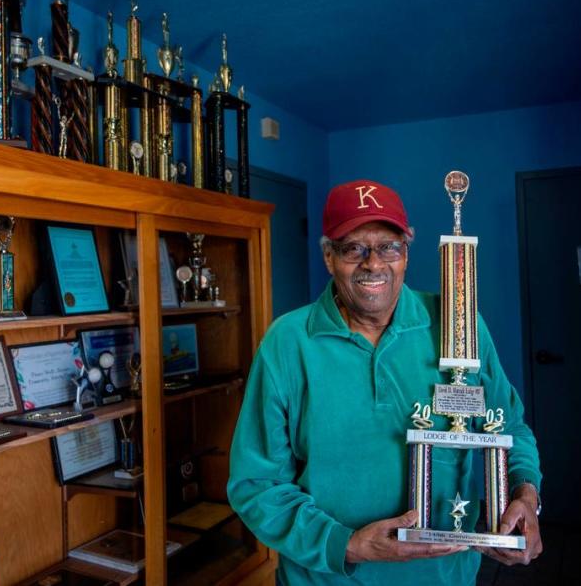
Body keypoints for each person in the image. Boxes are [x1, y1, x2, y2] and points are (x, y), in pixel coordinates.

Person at [228, 179, 542, 585]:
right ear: (328, 257)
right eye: (352, 248)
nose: (372, 264)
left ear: (406, 253)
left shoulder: (460, 325)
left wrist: (525, 495)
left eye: (388, 246)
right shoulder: (287, 342)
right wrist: (346, 544)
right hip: (325, 579)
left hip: (444, 577)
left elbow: (510, 429)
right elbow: (256, 485)